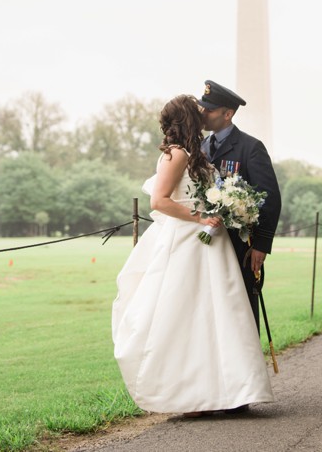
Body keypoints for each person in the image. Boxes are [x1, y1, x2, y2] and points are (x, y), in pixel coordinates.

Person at [112, 95, 274, 416]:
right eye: (198, 110)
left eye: (207, 109)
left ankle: (221, 391)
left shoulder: (194, 153)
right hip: (188, 242)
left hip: (208, 246)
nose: (204, 114)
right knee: (184, 316)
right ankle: (187, 394)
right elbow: (158, 202)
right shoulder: (177, 154)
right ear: (188, 118)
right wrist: (200, 218)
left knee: (214, 318)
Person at [197, 80, 282, 324]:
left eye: (209, 109)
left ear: (228, 114)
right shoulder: (201, 147)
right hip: (208, 245)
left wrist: (262, 245)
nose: (203, 113)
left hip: (240, 246)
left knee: (241, 310)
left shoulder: (251, 148)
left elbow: (270, 199)